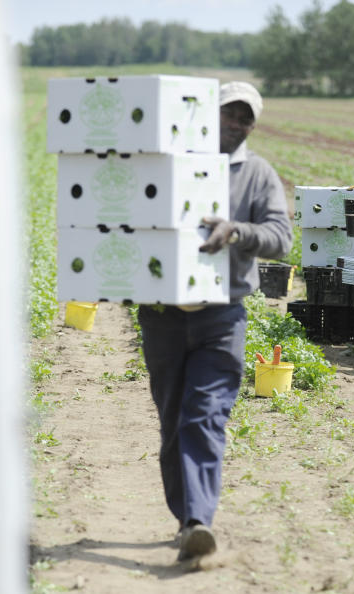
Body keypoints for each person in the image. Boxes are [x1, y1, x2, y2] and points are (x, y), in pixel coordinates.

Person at [137, 81, 292, 562]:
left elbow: (280, 237)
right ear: (210, 113)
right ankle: (186, 515)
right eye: (229, 113)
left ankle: (197, 521)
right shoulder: (169, 163)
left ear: (253, 125)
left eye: (246, 117)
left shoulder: (257, 173)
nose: (236, 123)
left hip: (221, 316)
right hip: (162, 314)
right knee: (171, 420)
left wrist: (237, 231)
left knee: (203, 416)